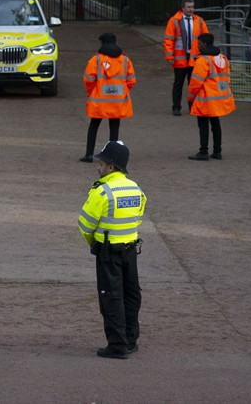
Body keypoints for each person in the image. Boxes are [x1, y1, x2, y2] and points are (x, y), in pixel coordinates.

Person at [77, 140, 146, 359]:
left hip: (108, 251)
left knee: (111, 296)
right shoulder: (135, 188)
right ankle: (130, 339)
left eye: (102, 163)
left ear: (111, 167)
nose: (98, 167)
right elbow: (138, 216)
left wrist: (94, 243)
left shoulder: (102, 192)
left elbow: (85, 225)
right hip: (131, 249)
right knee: (131, 293)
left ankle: (117, 345)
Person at [80, 32, 136, 162]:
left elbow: (88, 79)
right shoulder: (125, 60)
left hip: (98, 101)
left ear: (103, 43)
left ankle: (89, 155)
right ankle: (112, 156)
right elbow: (131, 80)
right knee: (114, 128)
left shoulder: (96, 60)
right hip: (118, 101)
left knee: (93, 126)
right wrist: (122, 91)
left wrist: (92, 92)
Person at [187, 33, 236, 160]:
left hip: (205, 99)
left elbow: (195, 82)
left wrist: (190, 98)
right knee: (216, 124)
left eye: (199, 43)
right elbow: (227, 78)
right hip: (219, 98)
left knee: (203, 126)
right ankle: (217, 151)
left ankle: (203, 151)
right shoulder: (223, 59)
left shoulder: (203, 60)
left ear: (203, 44)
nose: (198, 46)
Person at [163, 0, 208, 116]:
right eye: (189, 7)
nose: (191, 9)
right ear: (182, 8)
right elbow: (168, 40)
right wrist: (169, 56)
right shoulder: (174, 21)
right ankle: (176, 107)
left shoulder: (199, 20)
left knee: (194, 84)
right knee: (178, 83)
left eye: (192, 7)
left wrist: (205, 54)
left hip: (195, 58)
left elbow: (205, 38)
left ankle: (193, 107)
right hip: (180, 58)